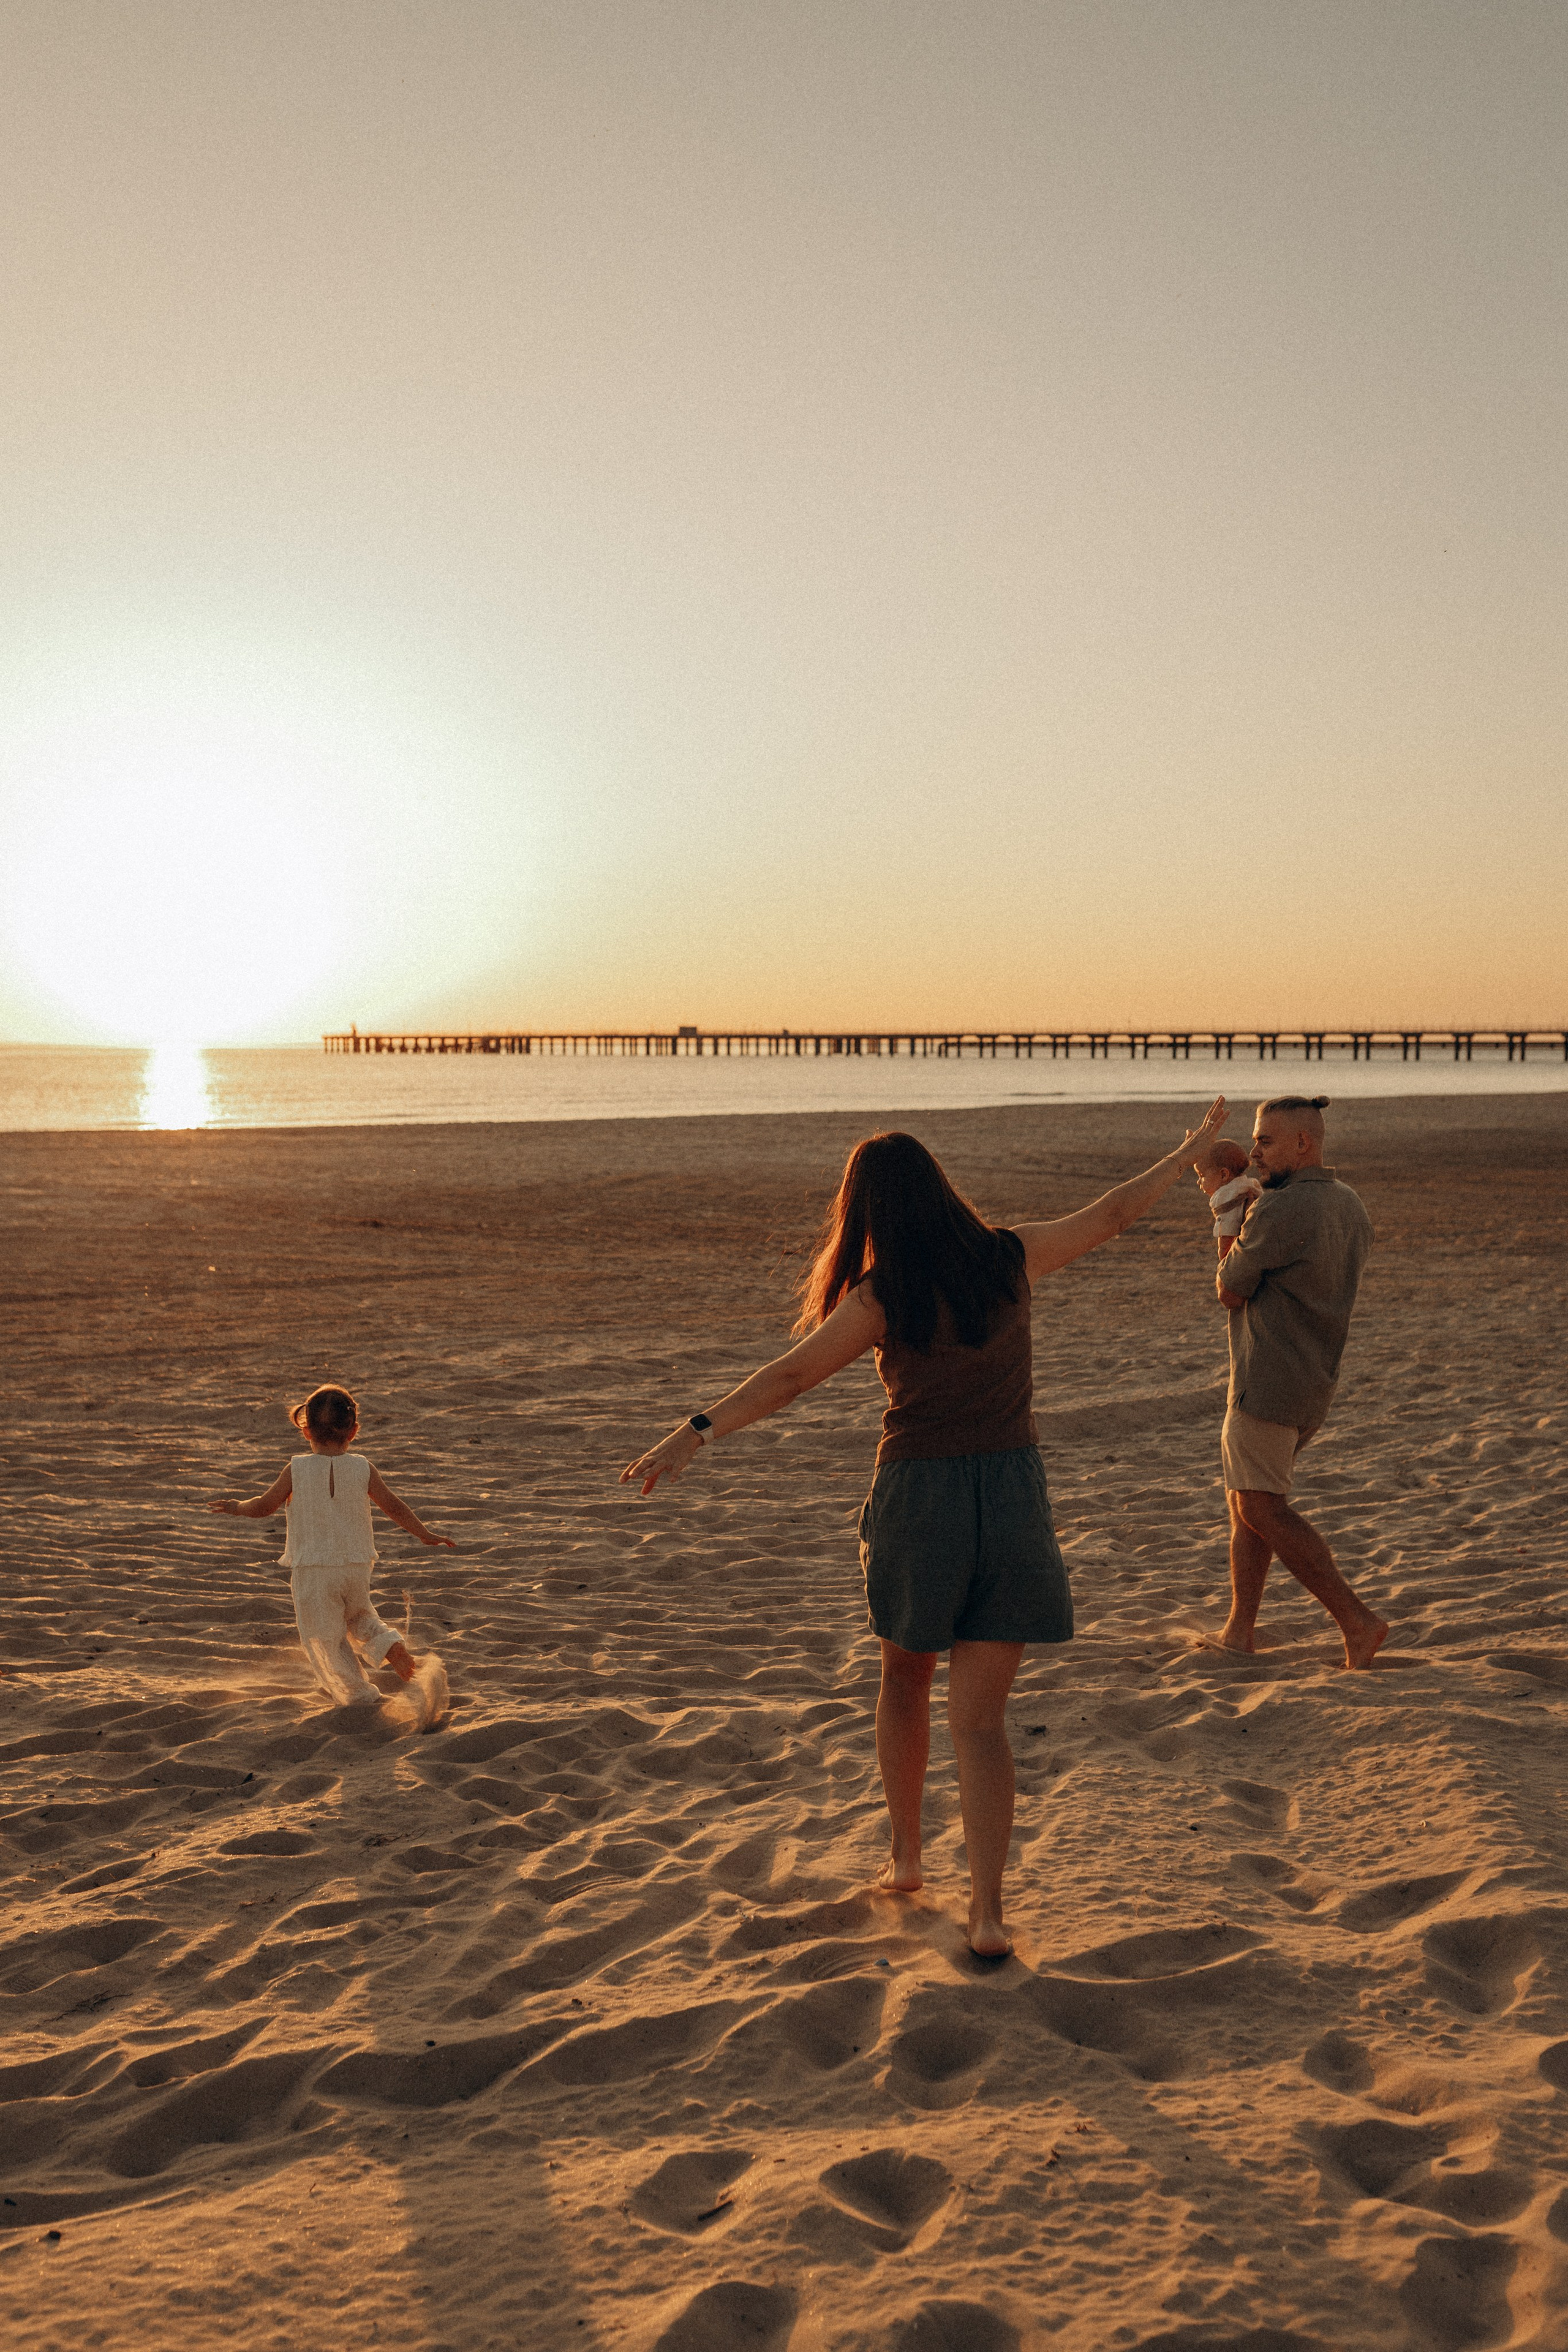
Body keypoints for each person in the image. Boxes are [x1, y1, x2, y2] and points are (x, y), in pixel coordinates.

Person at [621, 1101, 1228, 1960]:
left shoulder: (883, 1295)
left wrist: (695, 1432)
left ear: (866, 1213)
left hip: (920, 1500)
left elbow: (791, 1377)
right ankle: (986, 1913)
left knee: (904, 1682)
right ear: (942, 1191)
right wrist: (1188, 1151)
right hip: (1012, 1498)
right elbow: (1115, 1214)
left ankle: (907, 1858)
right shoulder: (1008, 1259)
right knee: (980, 1723)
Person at [1213, 1096, 1387, 1669]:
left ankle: (1356, 1621)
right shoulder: (1348, 1203)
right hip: (1313, 1382)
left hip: (1267, 1382)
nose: (1256, 1150)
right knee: (1249, 1504)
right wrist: (1250, 1205)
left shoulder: (1281, 1211)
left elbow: (1230, 1289)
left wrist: (1224, 1211)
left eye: (1265, 1140)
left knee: (1261, 1508)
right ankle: (1239, 1630)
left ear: (1302, 1144)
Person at [206, 1383, 452, 1711]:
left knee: (325, 1638)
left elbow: (265, 1506)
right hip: (355, 1565)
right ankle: (391, 1646)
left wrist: (237, 1506)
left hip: (314, 1570)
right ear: (354, 1430)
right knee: (360, 1616)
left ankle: (359, 1697)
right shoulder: (364, 1468)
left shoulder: (296, 1469)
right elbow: (393, 1506)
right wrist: (424, 1533)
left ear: (305, 1430)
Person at [1194, 1136, 1261, 1253]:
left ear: (1224, 1175)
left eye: (1202, 1176)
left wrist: (1223, 1253)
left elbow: (1226, 1228)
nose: (1199, 1182)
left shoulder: (1225, 1196)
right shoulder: (1250, 1185)